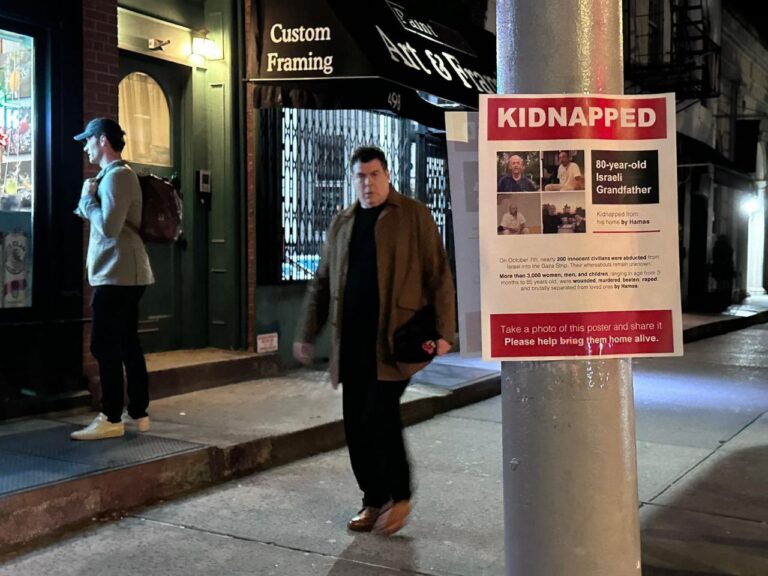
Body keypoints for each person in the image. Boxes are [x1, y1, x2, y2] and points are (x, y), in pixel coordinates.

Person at [294, 146, 456, 536]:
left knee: (378, 416)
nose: (368, 183)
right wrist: (306, 334)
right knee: (355, 425)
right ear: (354, 180)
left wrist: (445, 331)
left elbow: (438, 273)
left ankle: (399, 495)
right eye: (360, 177)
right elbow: (321, 283)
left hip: (394, 342)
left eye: (374, 175)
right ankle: (373, 499)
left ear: (387, 175)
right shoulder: (343, 222)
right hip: (351, 343)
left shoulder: (413, 215)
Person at [71, 118, 154, 440]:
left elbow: (108, 228)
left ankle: (110, 417)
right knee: (127, 343)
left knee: (104, 346)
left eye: (87, 140)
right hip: (123, 273)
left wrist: (88, 200)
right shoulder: (112, 177)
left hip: (118, 274)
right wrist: (89, 201)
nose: (85, 146)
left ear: (102, 140)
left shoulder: (117, 177)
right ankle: (138, 413)